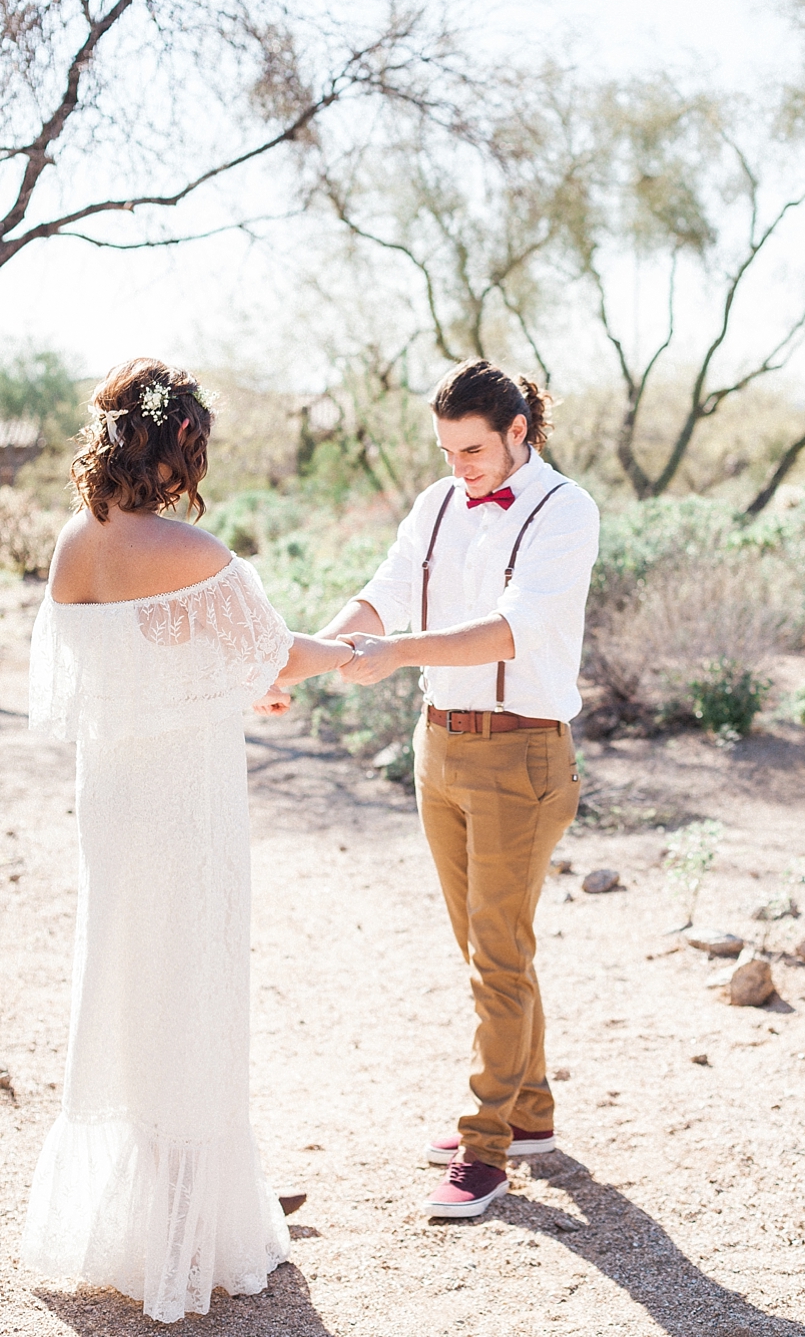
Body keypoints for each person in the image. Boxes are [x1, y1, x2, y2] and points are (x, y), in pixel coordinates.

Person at [21, 358, 355, 1324]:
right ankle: (189, 1225)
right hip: (187, 810)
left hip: (114, 810)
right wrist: (356, 654)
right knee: (192, 990)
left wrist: (242, 675)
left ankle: (133, 1217)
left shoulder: (74, 548)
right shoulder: (195, 550)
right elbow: (279, 654)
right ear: (178, 447)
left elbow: (139, 660)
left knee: (124, 990)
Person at [311, 359, 600, 1218]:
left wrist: (397, 652)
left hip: (523, 758)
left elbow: (512, 629)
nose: (458, 468)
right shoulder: (439, 503)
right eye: (446, 451)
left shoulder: (565, 509)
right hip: (436, 749)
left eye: (472, 449)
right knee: (489, 950)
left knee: (497, 957)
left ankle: (487, 1146)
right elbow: (388, 589)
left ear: (519, 432)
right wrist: (317, 654)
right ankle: (533, 1113)